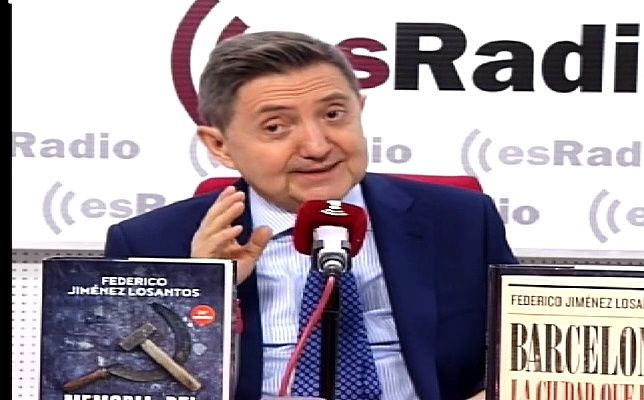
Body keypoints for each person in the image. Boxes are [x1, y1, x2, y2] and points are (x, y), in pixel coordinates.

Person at [104, 31, 517, 400]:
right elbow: (130, 385)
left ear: (359, 110)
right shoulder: (150, 245)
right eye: (275, 127)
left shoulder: (461, 221)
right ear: (220, 146)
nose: (317, 146)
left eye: (334, 115)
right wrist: (200, 287)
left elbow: (521, 362)